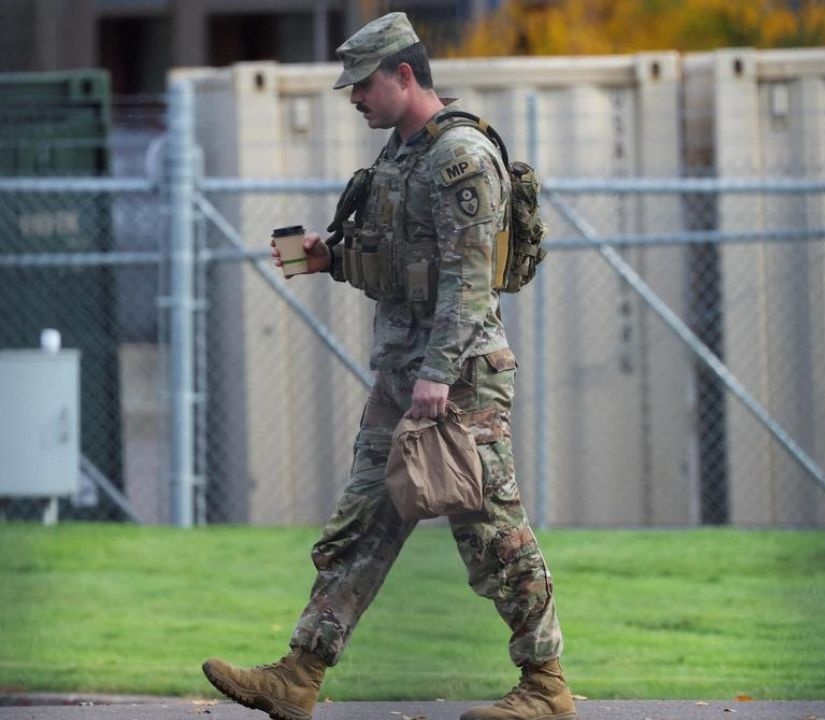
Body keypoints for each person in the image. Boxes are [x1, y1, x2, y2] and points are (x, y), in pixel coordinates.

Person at [200, 13, 574, 720]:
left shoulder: (461, 158)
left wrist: (436, 375)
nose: (353, 99)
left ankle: (547, 687)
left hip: (459, 382)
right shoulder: (402, 157)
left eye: (363, 85)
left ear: (405, 75)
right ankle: (298, 675)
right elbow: (403, 265)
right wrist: (331, 257)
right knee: (362, 524)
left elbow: (469, 282)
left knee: (493, 535)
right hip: (404, 379)